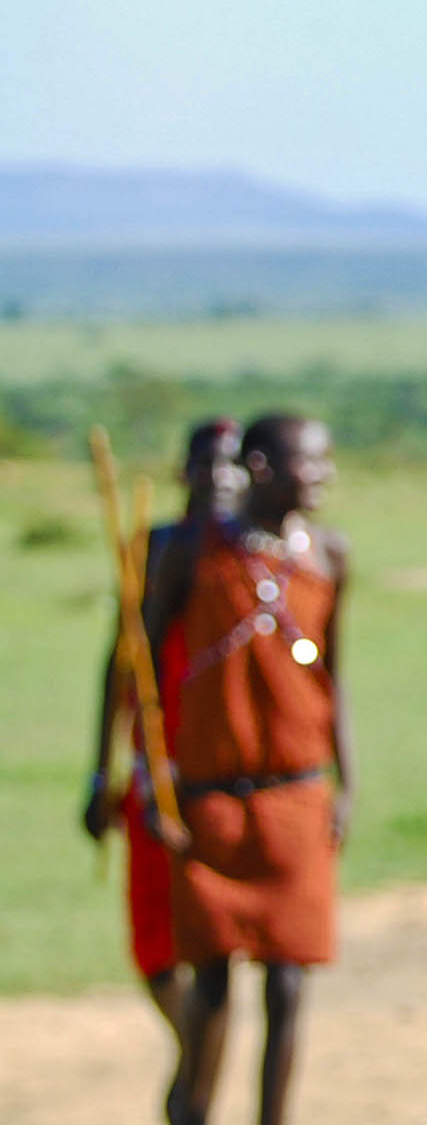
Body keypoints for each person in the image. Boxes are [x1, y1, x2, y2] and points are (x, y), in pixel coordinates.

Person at [147, 414, 355, 1125]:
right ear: (263, 467)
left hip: (298, 798)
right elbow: (137, 662)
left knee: (291, 987)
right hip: (208, 801)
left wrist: (349, 780)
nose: (322, 476)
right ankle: (193, 1123)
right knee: (209, 988)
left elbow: (334, 674)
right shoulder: (192, 553)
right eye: (310, 462)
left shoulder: (330, 556)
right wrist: (144, 774)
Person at [82, 418, 243, 1040]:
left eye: (232, 464)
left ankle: (199, 1079)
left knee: (213, 941)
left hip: (228, 775)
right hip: (156, 771)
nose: (219, 478)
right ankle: (193, 1057)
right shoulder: (155, 547)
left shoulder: (254, 555)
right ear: (184, 473)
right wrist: (103, 771)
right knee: (155, 944)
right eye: (207, 463)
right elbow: (121, 664)